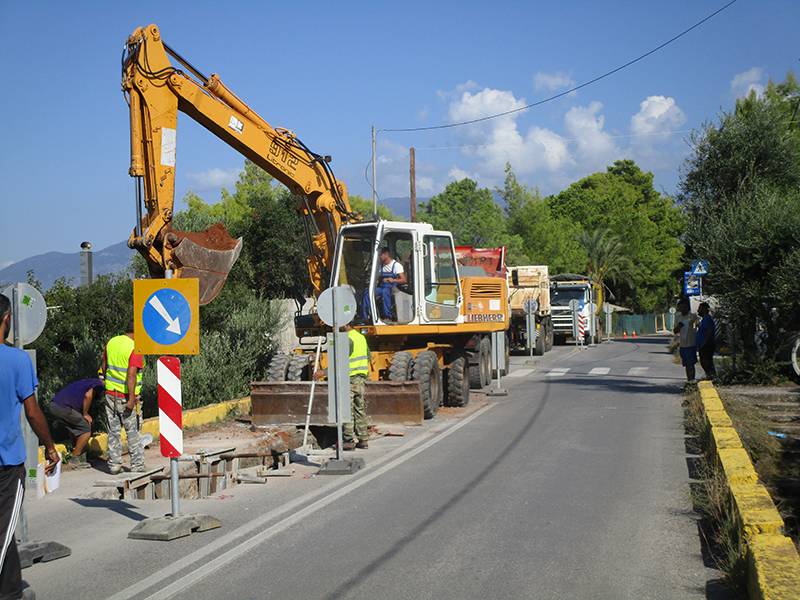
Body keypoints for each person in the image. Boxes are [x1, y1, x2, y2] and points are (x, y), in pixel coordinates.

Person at [0, 293, 59, 600]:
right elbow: (33, 412)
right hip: (6, 466)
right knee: (3, 532)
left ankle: (11, 591)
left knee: (7, 534)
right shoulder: (17, 360)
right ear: (7, 320)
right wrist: (50, 447)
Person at [100, 320, 145, 474]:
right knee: (133, 431)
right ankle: (137, 466)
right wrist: (132, 399)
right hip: (127, 397)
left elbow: (104, 366)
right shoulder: (135, 348)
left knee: (113, 431)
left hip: (110, 395)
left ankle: (114, 465)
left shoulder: (112, 342)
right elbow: (131, 374)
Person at [47, 378, 103, 468]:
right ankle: (75, 458)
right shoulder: (99, 385)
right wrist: (85, 413)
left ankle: (80, 454)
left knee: (77, 427)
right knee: (86, 429)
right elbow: (88, 396)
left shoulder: (88, 382)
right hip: (63, 407)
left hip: (54, 405)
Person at [360, 247, 407, 321]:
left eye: (380, 255)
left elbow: (404, 280)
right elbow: (378, 278)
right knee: (367, 291)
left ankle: (388, 316)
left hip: (393, 288)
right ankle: (365, 316)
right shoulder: (380, 266)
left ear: (386, 254)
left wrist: (393, 280)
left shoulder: (396, 266)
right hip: (382, 287)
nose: (379, 256)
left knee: (385, 291)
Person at [342, 324, 370, 451]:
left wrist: (323, 373)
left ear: (346, 324)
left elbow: (340, 360)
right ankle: (363, 439)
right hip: (360, 379)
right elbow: (368, 356)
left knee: (347, 410)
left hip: (349, 378)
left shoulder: (347, 339)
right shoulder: (361, 337)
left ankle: (348, 440)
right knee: (360, 409)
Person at [674, 298, 698, 382]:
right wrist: (679, 327)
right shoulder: (678, 316)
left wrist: (692, 323)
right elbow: (675, 331)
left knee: (691, 364)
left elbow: (697, 326)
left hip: (691, 344)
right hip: (683, 344)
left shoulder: (693, 316)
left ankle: (692, 380)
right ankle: (689, 380)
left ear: (687, 307)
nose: (682, 309)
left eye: (683, 307)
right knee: (686, 364)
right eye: (680, 308)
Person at [696, 302, 717, 379]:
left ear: (704, 309)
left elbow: (709, 331)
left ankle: (712, 376)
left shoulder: (708, 319)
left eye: (699, 308)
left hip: (707, 344)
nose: (698, 310)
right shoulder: (704, 319)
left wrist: (705, 343)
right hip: (703, 344)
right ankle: (709, 376)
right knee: (704, 362)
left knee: (707, 362)